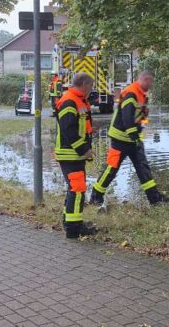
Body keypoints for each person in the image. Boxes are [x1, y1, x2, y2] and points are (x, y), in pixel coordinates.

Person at [89, 70, 169, 206]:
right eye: (150, 81)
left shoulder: (142, 95)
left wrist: (140, 132)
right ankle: (95, 196)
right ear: (143, 79)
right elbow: (127, 118)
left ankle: (155, 199)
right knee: (111, 169)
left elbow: (142, 117)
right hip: (120, 139)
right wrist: (135, 135)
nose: (151, 84)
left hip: (133, 140)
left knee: (143, 169)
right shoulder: (131, 93)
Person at [55, 72, 97, 239]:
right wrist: (83, 150)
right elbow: (68, 130)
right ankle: (73, 229)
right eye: (91, 86)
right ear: (84, 84)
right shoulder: (69, 101)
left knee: (75, 189)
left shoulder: (78, 100)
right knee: (77, 189)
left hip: (74, 155)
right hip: (70, 155)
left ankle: (70, 222)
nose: (91, 89)